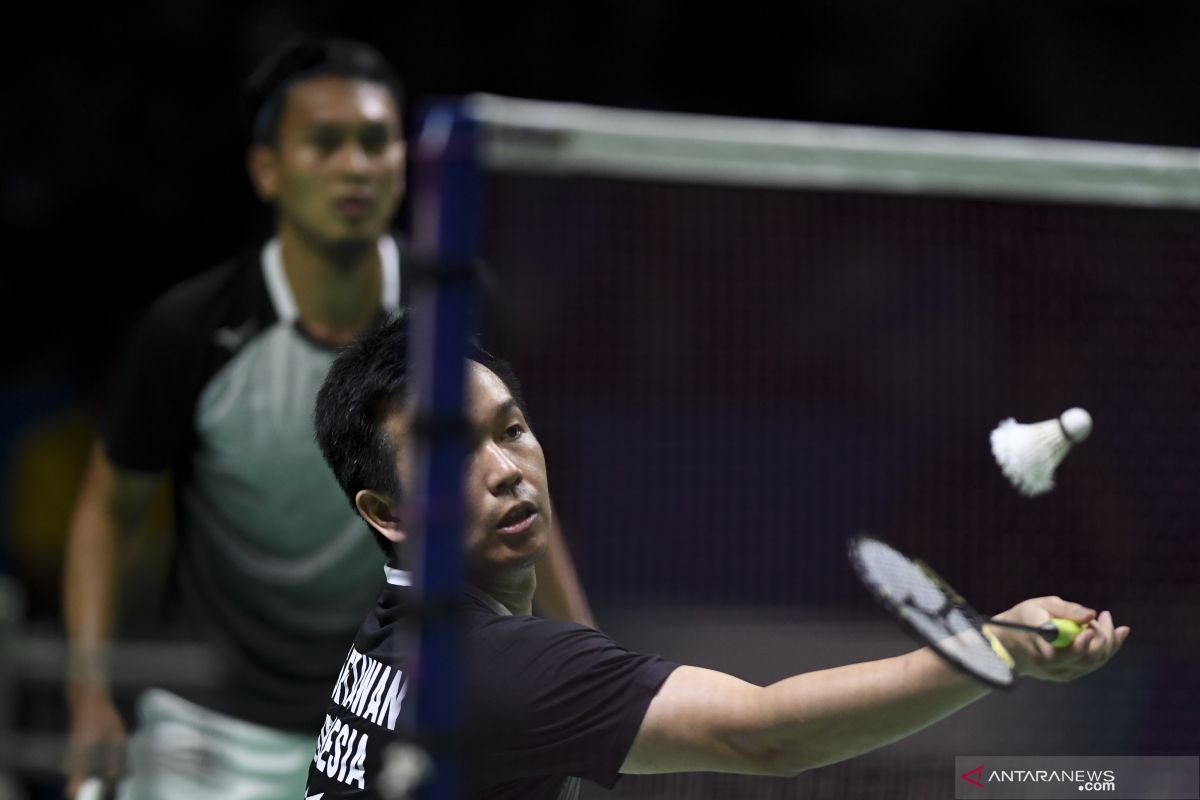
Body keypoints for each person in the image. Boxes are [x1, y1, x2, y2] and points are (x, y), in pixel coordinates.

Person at [61, 35, 592, 800]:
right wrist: (89, 696)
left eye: (376, 142)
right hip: (211, 723)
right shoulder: (190, 331)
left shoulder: (456, 305)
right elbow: (107, 512)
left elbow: (520, 501)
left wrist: (584, 658)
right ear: (267, 169)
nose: (354, 166)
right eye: (325, 144)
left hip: (388, 704)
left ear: (404, 162)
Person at [305, 315, 1130, 799]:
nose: (506, 472)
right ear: (385, 513)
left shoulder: (394, 632)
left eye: (512, 429)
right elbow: (764, 736)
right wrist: (996, 647)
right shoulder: (496, 665)